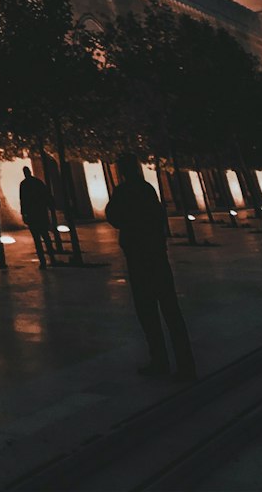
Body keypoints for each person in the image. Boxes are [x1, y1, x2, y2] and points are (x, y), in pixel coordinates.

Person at [105, 153, 196, 380]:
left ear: (121, 171)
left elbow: (113, 216)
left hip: (138, 257)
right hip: (156, 254)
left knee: (148, 312)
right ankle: (186, 364)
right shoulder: (147, 189)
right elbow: (157, 215)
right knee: (171, 309)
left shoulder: (123, 191)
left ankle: (160, 361)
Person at [19, 165, 59, 269]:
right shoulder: (37, 182)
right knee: (45, 237)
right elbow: (45, 195)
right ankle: (51, 258)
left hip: (34, 215)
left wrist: (24, 214)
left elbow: (23, 201)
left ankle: (44, 261)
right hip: (40, 213)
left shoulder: (24, 184)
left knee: (38, 239)